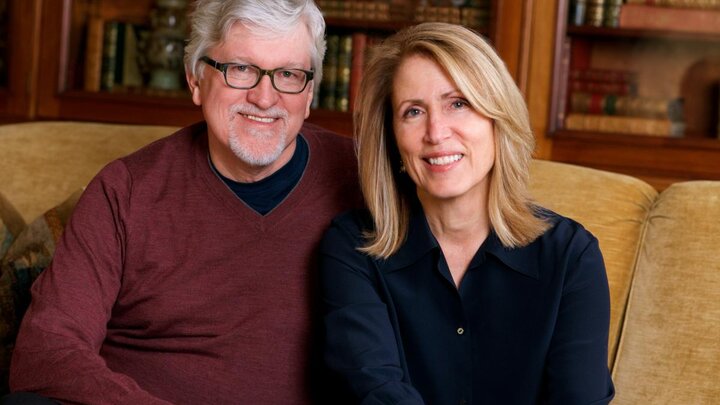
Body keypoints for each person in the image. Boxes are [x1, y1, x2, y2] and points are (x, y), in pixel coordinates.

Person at [7, 0, 361, 404]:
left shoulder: (363, 180)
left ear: (310, 90)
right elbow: (45, 353)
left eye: (288, 74)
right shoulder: (126, 189)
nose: (266, 98)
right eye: (240, 69)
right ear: (195, 79)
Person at [319, 22, 615, 404]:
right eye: (412, 112)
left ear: (497, 118)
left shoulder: (571, 257)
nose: (436, 132)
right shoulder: (352, 249)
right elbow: (376, 391)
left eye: (458, 103)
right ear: (392, 139)